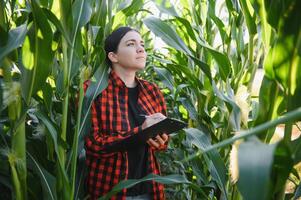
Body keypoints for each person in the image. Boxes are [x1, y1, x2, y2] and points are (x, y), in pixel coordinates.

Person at [84, 26, 169, 200]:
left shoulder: (153, 92)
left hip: (150, 190)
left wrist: (161, 139)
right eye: (131, 44)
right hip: (111, 191)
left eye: (142, 44)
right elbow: (93, 145)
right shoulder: (92, 90)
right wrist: (141, 131)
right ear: (113, 56)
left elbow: (161, 145)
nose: (140, 49)